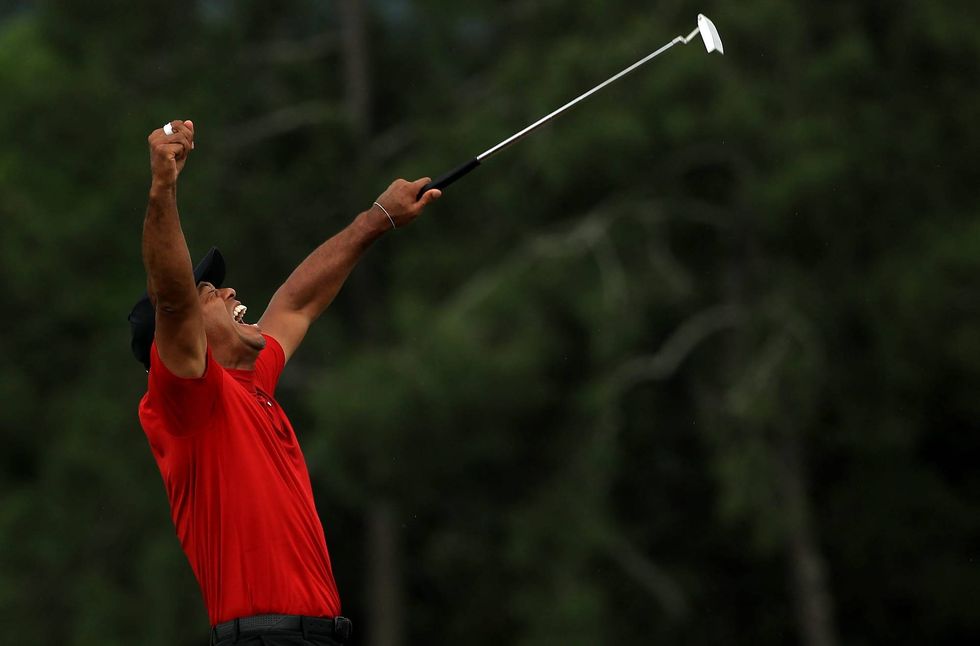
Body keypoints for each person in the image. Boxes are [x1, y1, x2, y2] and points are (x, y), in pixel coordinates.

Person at [128, 119, 441, 645]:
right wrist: (163, 188)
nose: (229, 293)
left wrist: (376, 219)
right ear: (180, 341)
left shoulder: (250, 383)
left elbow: (296, 301)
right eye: (212, 292)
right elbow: (173, 298)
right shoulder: (188, 402)